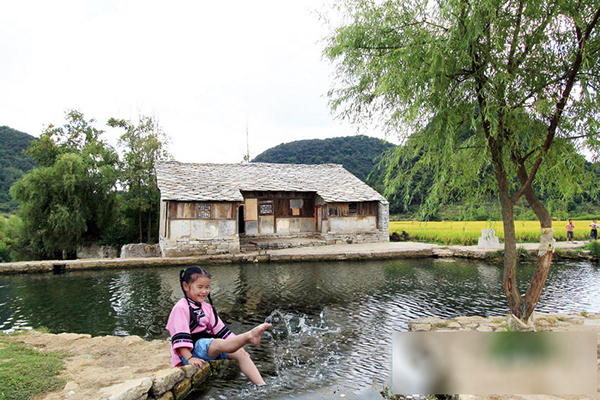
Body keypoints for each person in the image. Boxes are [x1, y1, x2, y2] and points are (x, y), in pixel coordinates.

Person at [166, 266, 271, 385]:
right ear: (186, 286)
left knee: (241, 353)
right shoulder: (181, 308)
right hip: (191, 351)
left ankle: (261, 385)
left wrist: (236, 345)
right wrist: (190, 358)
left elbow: (222, 331)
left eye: (207, 287)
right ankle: (249, 336)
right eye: (200, 287)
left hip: (205, 347)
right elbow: (179, 337)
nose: (204, 291)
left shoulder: (207, 308)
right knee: (215, 343)